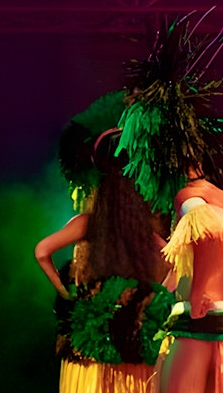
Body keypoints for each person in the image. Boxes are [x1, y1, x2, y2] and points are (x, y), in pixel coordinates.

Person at [112, 16, 223, 393]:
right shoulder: (221, 199)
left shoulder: (189, 198)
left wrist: (195, 297)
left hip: (199, 321)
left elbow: (207, 234)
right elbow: (221, 253)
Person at [34, 92, 175, 393]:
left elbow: (42, 250)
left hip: (92, 344)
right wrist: (158, 300)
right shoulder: (141, 229)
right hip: (132, 340)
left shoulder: (87, 223)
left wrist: (65, 295)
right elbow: (175, 263)